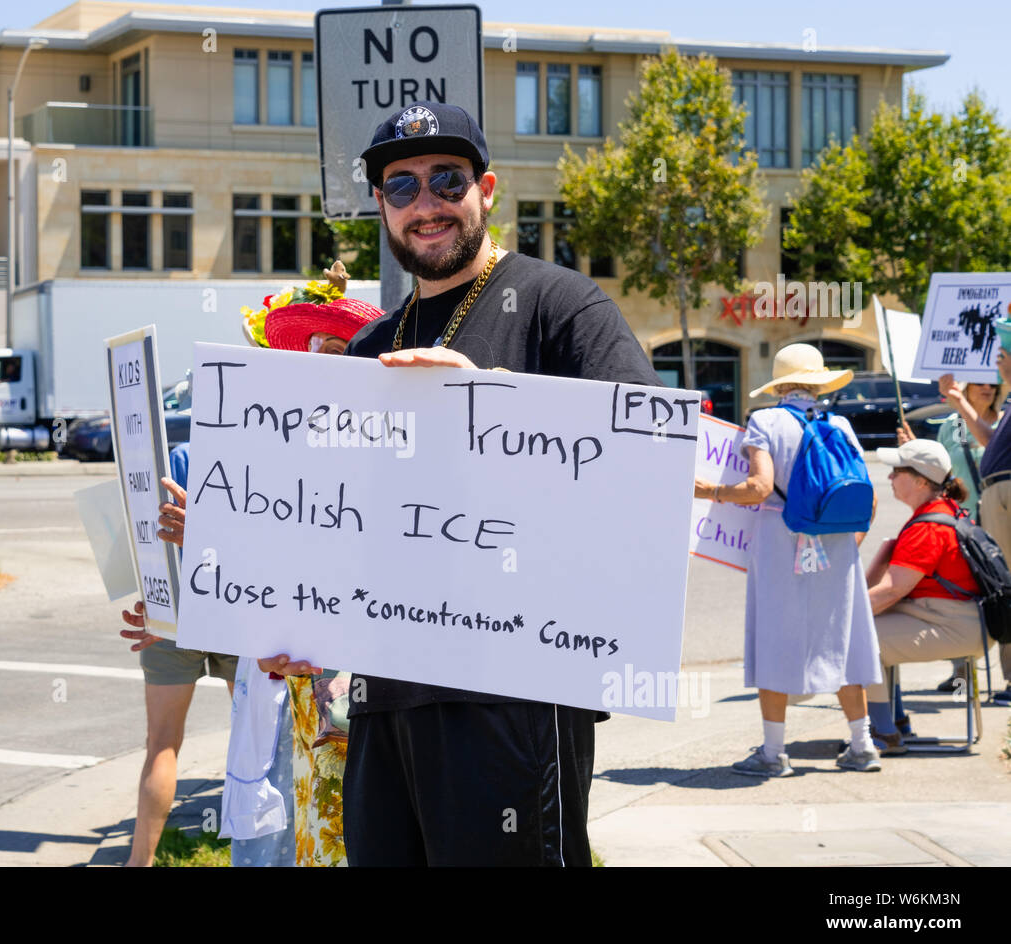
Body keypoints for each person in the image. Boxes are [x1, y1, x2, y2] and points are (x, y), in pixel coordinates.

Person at [324, 100, 663, 866]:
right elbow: (341, 521)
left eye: (447, 180)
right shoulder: (371, 347)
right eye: (401, 187)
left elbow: (651, 462)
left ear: (488, 188)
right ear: (380, 205)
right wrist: (237, 559)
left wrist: (493, 403)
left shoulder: (561, 305)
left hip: (513, 696)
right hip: (385, 697)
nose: (426, 204)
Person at [148, 272, 382, 866]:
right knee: (302, 836)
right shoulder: (273, 455)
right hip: (295, 694)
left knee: (353, 834)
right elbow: (264, 577)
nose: (318, 364)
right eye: (306, 352)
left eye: (337, 350)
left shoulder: (384, 455)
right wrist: (173, 608)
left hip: (365, 701)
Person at [694, 343, 882, 775]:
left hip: (782, 539)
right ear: (817, 383)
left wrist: (710, 492)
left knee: (774, 636)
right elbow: (867, 501)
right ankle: (863, 744)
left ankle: (773, 753)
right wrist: (849, 542)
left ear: (780, 383)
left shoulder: (766, 420)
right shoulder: (840, 423)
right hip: (835, 542)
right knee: (842, 634)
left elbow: (759, 488)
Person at [118, 440, 238, 867]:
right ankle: (256, 851)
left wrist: (149, 597)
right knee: (253, 740)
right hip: (238, 606)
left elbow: (129, 535)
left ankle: (139, 861)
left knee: (162, 745)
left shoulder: (170, 458)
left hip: (170, 608)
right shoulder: (255, 452)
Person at [864, 440, 987, 753]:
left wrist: (840, 617)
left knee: (859, 639)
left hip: (955, 626)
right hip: (964, 621)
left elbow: (892, 590)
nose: (890, 477)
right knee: (873, 628)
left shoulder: (928, 526)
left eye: (897, 471)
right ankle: (896, 721)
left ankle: (883, 733)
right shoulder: (940, 512)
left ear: (921, 481)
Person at [896, 373, 1001, 691]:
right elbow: (943, 475)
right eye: (980, 382)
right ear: (966, 386)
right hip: (962, 527)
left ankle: (1008, 676)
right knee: (961, 597)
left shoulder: (1004, 423)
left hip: (998, 521)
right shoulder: (949, 427)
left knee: (1001, 597)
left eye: (992, 383)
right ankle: (963, 674)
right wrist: (916, 454)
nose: (987, 388)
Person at [948, 320, 1011, 705]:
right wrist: (959, 403)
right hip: (996, 495)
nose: (999, 362)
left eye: (1004, 354)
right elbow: (989, 442)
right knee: (1005, 586)